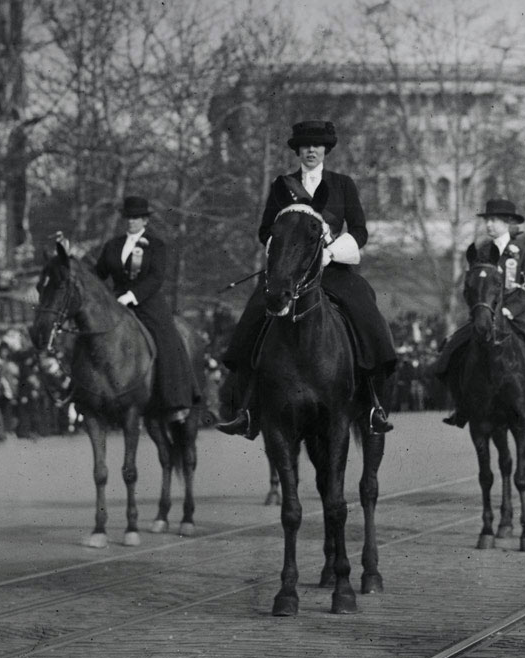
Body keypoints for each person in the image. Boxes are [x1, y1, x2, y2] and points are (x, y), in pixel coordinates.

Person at [215, 119, 399, 439]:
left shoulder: (343, 184)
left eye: (316, 146)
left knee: (366, 314)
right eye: (305, 146)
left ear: (325, 150)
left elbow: (359, 229)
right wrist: (285, 253)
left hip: (332, 269)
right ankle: (246, 408)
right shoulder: (281, 186)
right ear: (298, 151)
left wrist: (331, 252)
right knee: (252, 318)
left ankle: (372, 403)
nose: (311, 151)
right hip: (290, 270)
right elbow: (265, 230)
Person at [431, 199, 525, 426]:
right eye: (487, 220)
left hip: (516, 314)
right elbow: (472, 285)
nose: (489, 225)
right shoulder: (481, 251)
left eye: (494, 220)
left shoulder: (522, 252)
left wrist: (509, 310)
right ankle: (460, 405)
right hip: (485, 315)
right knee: (452, 349)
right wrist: (480, 309)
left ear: (508, 223)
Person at [93, 195, 201, 420]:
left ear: (145, 221)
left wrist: (132, 296)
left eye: (136, 218)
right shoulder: (112, 246)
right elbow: (99, 274)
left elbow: (155, 278)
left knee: (166, 339)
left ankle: (176, 400)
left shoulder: (156, 246)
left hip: (147, 302)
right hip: (116, 303)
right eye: (129, 218)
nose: (131, 221)